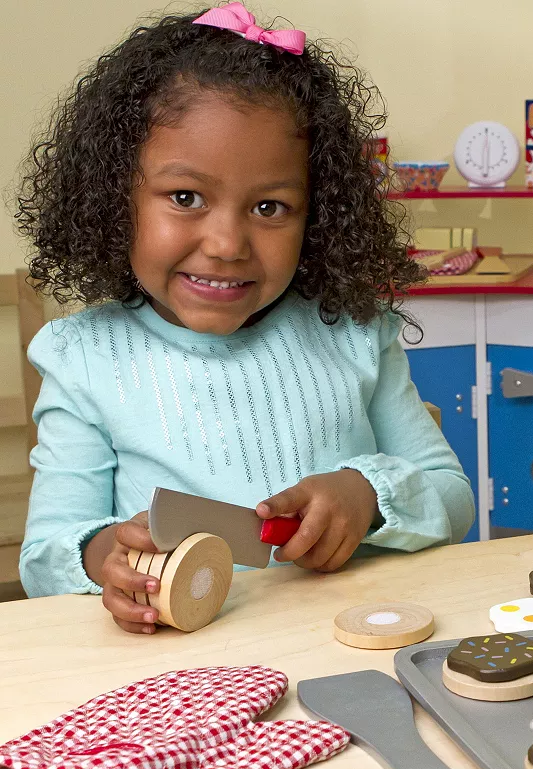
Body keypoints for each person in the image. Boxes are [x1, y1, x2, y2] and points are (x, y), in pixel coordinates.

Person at [16, 2, 474, 633]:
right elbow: (44, 555)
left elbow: (454, 496)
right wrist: (106, 557)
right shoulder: (83, 359)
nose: (227, 244)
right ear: (114, 198)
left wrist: (367, 496)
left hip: (354, 638)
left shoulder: (354, 332)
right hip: (183, 664)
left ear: (318, 215)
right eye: (185, 197)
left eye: (269, 207)